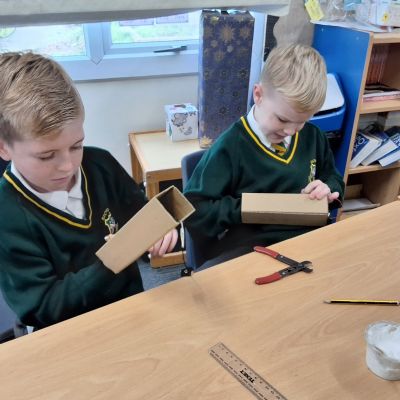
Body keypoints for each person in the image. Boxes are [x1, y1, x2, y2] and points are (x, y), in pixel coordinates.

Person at [0, 52, 178, 330]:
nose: (67, 166)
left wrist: (159, 232)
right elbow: (43, 307)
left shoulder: (101, 164)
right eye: (46, 156)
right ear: (4, 148)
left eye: (76, 145)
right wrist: (113, 260)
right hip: (69, 333)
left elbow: (142, 215)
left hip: (131, 310)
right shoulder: (7, 214)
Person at [184, 43, 344, 268]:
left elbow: (334, 179)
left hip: (308, 237)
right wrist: (249, 208)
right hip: (251, 245)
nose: (291, 131)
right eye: (282, 119)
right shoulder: (230, 147)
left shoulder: (313, 136)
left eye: (301, 121)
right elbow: (194, 210)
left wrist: (328, 189)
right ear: (258, 95)